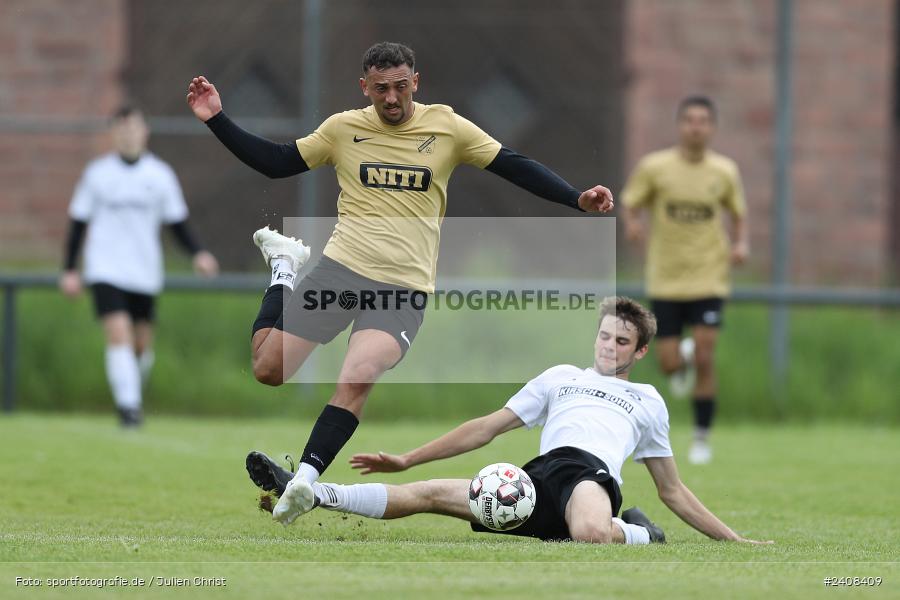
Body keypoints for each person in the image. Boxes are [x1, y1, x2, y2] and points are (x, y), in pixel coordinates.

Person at [186, 41, 615, 524]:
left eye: (400, 86)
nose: (392, 98)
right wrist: (216, 119)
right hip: (340, 271)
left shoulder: (447, 127)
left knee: (358, 375)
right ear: (365, 87)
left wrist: (575, 198)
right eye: (381, 89)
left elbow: (513, 164)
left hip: (401, 290)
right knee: (269, 369)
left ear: (416, 81)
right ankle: (284, 267)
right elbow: (277, 162)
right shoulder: (343, 129)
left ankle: (305, 482)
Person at [248, 297, 771, 545]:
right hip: (533, 480)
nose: (608, 346)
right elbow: (487, 427)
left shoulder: (647, 399)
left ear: (640, 350)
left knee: (591, 533)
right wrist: (408, 457)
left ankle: (638, 534)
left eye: (621, 341)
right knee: (425, 494)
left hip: (590, 478)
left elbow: (673, 490)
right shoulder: (560, 376)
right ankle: (310, 493)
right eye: (604, 335)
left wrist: (735, 541)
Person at [60, 105, 219, 427]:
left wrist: (199, 253)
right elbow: (78, 222)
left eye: (133, 127)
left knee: (141, 345)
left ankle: (130, 393)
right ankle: (129, 410)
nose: (128, 133)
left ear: (144, 131)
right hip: (105, 269)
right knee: (118, 333)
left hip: (144, 273)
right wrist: (69, 269)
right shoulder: (97, 174)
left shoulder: (159, 175)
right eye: (121, 128)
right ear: (114, 133)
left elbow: (178, 223)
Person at [620, 96, 749, 465]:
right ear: (679, 125)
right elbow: (631, 201)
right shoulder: (656, 167)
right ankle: (683, 357)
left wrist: (740, 244)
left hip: (710, 276)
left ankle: (702, 438)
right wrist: (632, 223)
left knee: (707, 353)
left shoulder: (724, 171)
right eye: (689, 120)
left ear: (712, 128)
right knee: (668, 364)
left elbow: (738, 214)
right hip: (666, 279)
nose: (696, 126)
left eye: (703, 121)